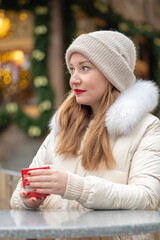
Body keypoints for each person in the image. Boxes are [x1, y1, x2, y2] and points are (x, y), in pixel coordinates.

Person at [10, 30, 160, 239]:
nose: (74, 80)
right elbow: (18, 195)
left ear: (112, 74)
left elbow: (147, 198)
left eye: (85, 68)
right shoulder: (63, 126)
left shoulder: (146, 128)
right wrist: (28, 200)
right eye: (72, 69)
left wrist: (72, 186)